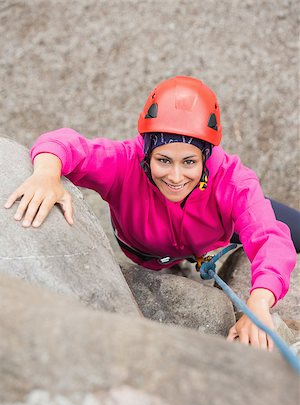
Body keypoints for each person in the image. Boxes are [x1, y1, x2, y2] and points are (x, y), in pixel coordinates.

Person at [4, 76, 298, 350]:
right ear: (146, 153)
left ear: (206, 158)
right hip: (151, 256)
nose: (175, 176)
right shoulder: (123, 164)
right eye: (163, 160)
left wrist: (259, 302)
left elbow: (269, 237)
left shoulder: (232, 180)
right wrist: (46, 175)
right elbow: (63, 143)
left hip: (215, 231)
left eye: (189, 162)